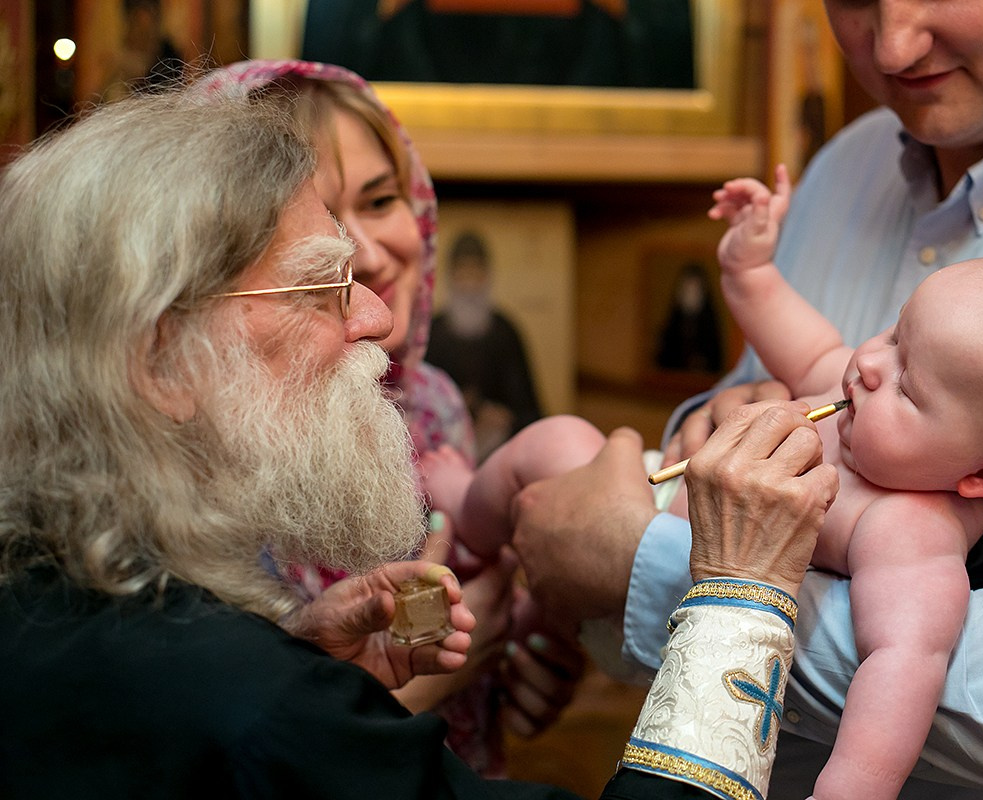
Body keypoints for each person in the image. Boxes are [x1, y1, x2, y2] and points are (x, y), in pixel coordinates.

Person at [0, 86, 839, 799]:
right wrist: (740, 595)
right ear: (163, 359)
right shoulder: (256, 709)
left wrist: (312, 675)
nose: (377, 316)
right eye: (322, 284)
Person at [508, 4, 983, 798]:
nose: (894, 46)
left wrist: (633, 565)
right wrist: (705, 438)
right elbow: (756, 395)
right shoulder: (848, 164)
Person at [425, 243, 983, 800]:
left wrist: (854, 788)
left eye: (908, 384)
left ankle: (476, 541)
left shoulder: (908, 528)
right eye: (894, 334)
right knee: (557, 438)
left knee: (554, 449)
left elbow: (903, 667)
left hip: (672, 618)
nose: (867, 365)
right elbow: (807, 345)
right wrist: (751, 270)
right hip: (644, 513)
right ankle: (479, 538)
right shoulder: (863, 398)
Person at [196, 59, 578, 775]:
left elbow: (473, 627)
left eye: (379, 201)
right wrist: (447, 672)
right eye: (322, 227)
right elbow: (242, 748)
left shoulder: (433, 403)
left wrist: (520, 670)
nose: (368, 255)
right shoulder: (224, 442)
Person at [427, 230, 544, 460]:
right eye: (463, 273)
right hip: (443, 448)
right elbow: (418, 401)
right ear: (451, 277)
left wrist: (505, 417)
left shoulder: (505, 332)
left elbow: (530, 411)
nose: (469, 284)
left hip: (498, 449)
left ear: (487, 276)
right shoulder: (434, 332)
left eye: (476, 273)